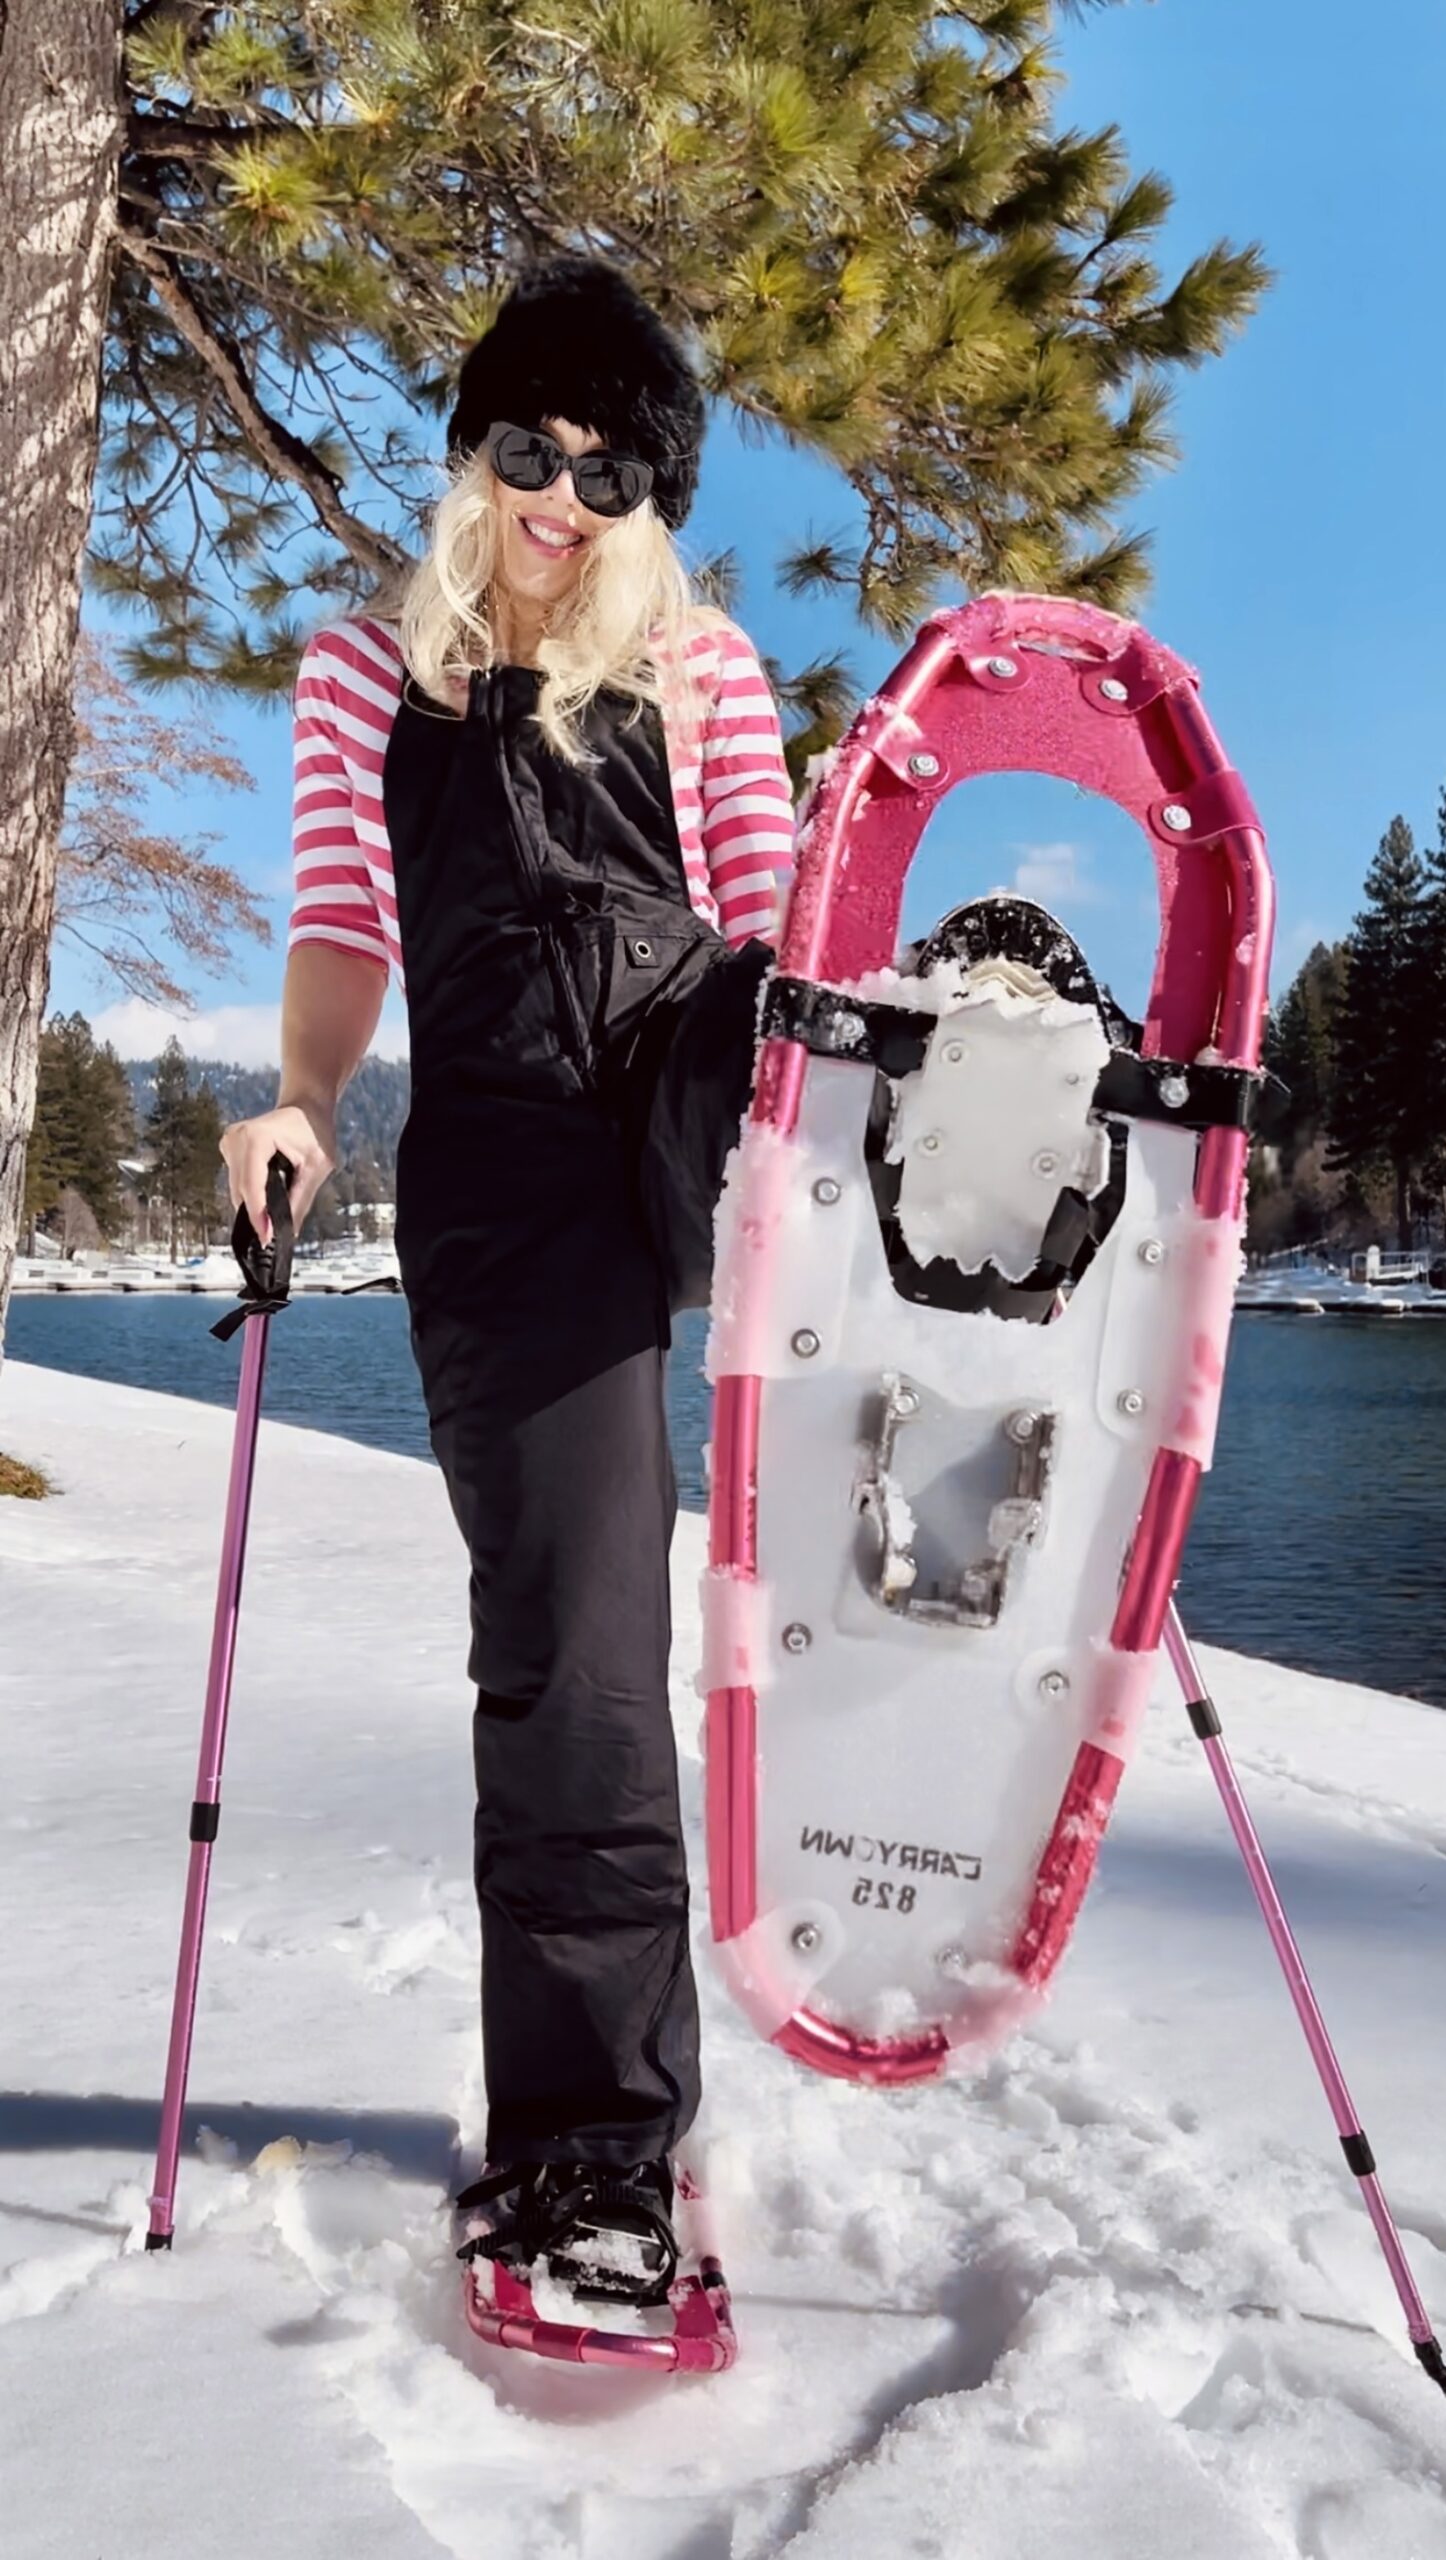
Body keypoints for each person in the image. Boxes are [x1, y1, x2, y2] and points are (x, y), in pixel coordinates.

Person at [219, 254, 796, 2305]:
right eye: (524, 445)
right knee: (576, 1646)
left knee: (789, 1010)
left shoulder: (708, 673)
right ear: (471, 452)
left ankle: (974, 1188)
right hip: (506, 1173)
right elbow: (342, 920)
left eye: (612, 463)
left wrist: (797, 1074)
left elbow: (761, 916)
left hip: (689, 1089)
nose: (562, 492)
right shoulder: (361, 671)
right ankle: (591, 2150)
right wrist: (297, 1099)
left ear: (659, 496)